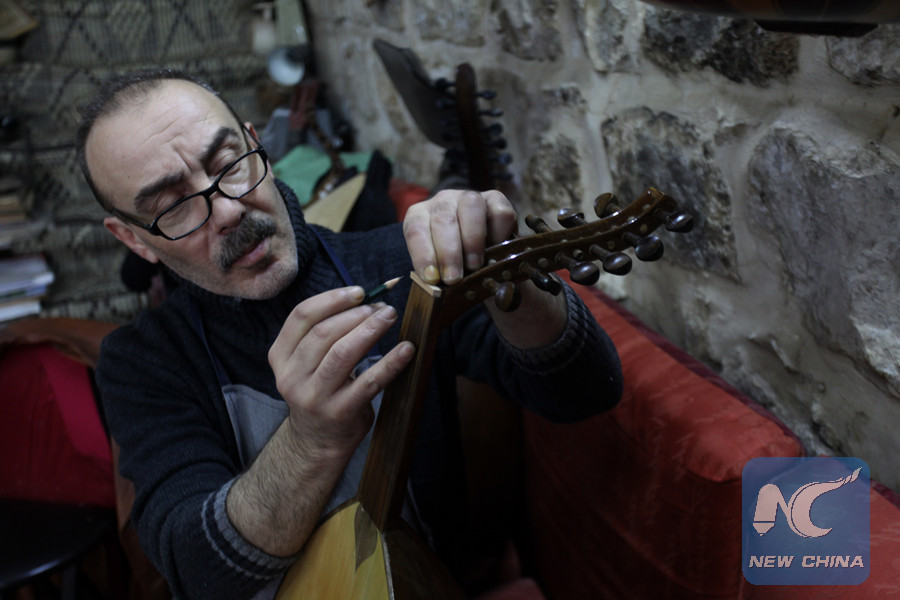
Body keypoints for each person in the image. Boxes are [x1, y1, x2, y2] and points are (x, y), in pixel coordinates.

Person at [76, 69, 623, 600]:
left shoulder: (402, 263)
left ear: (257, 144)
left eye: (229, 164)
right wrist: (310, 441)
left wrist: (512, 276)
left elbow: (586, 390)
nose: (227, 209)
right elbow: (197, 573)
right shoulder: (142, 362)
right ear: (134, 240)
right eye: (173, 207)